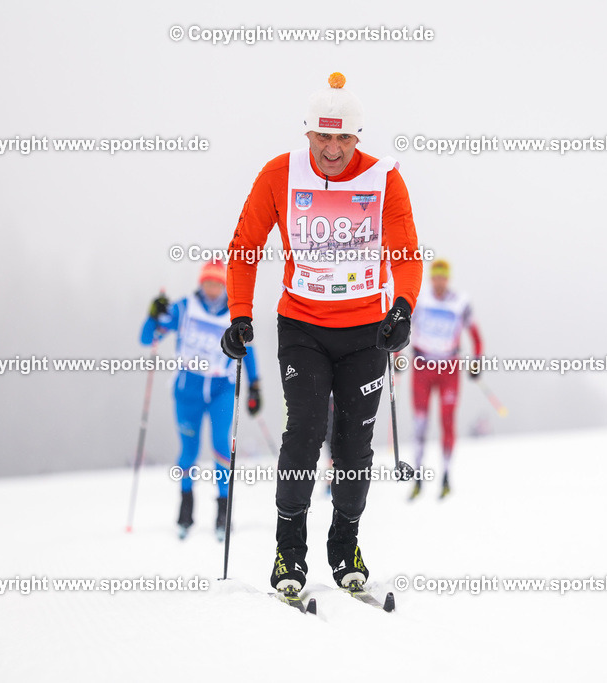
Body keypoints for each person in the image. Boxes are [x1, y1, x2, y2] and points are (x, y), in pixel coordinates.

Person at [219, 73, 422, 595]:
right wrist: (240, 313)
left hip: (365, 334)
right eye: (322, 137)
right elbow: (245, 245)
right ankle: (289, 553)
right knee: (306, 431)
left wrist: (402, 307)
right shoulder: (278, 175)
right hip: (303, 328)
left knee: (354, 447)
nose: (332, 150)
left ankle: (345, 544)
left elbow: (406, 252)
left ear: (358, 138)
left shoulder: (383, 180)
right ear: (307, 134)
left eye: (344, 139)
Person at [141, 260, 261, 541]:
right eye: (208, 283)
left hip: (221, 387)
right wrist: (153, 314)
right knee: (188, 451)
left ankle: (222, 514)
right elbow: (148, 338)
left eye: (218, 284)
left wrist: (255, 386)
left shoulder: (234, 313)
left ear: (224, 285)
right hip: (188, 390)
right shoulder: (184, 308)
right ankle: (186, 510)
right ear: (201, 283)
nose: (212, 289)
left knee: (221, 447)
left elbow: (249, 352)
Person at [406, 259, 482, 500]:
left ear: (447, 278)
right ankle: (418, 477)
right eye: (436, 277)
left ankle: (446, 476)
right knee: (420, 423)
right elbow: (403, 327)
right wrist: (397, 355)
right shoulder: (420, 300)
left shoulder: (460, 303)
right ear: (431, 278)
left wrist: (477, 360)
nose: (439, 282)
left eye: (443, 277)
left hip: (449, 368)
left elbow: (476, 336)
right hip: (422, 367)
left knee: (447, 421)